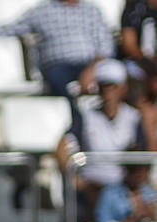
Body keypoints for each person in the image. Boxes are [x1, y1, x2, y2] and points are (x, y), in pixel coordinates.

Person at [0, 0, 115, 99]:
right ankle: (75, 124)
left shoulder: (92, 10)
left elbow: (106, 44)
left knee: (118, 75)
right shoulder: (42, 11)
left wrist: (91, 70)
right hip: (58, 66)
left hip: (92, 64)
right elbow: (9, 28)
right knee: (57, 80)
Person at [56, 59, 148, 208]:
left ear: (123, 88)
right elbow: (62, 147)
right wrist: (75, 179)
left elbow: (144, 156)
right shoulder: (85, 116)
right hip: (92, 187)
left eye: (112, 86)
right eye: (104, 86)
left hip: (124, 187)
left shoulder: (133, 117)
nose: (108, 91)